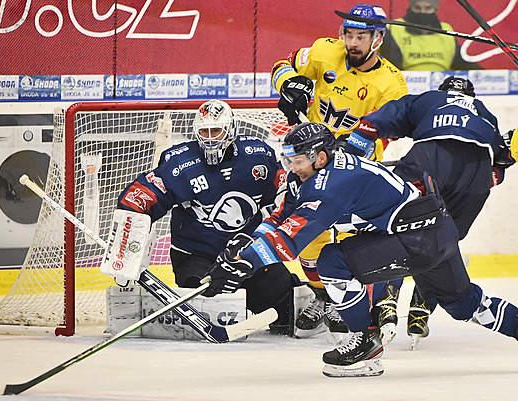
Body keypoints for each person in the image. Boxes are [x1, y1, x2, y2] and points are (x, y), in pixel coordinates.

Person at [201, 121, 518, 377]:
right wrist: (244, 247)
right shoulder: (316, 173)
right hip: (433, 228)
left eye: (296, 160)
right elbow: (280, 217)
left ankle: (365, 345)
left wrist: (247, 263)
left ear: (319, 157)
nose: (291, 166)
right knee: (464, 303)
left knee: (333, 260)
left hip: (417, 239)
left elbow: (291, 240)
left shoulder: (332, 184)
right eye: (289, 159)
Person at [344, 76, 516, 347]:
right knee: (438, 242)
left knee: (394, 227)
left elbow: (381, 119)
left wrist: (351, 151)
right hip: (476, 178)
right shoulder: (486, 114)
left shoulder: (431, 100)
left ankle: (386, 295)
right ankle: (426, 295)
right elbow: (498, 170)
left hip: (431, 158)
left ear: (442, 92)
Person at [270, 4, 408, 338]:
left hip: (357, 172)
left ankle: (351, 303)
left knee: (353, 244)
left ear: (377, 38)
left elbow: (387, 130)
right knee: (309, 238)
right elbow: (282, 65)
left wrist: (345, 149)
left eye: (361, 35)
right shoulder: (323, 51)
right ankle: (322, 296)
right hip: (310, 166)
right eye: (349, 34)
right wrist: (290, 85)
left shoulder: (391, 85)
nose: (353, 42)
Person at [116, 99, 299, 335]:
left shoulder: (259, 156)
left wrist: (265, 240)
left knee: (289, 304)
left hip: (246, 255)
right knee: (204, 300)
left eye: (216, 131)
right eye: (204, 131)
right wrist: (125, 246)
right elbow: (140, 198)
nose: (211, 138)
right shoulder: (178, 163)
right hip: (196, 256)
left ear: (231, 129)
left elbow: (284, 197)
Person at [379, 0, 482, 71]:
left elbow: (461, 62)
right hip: (406, 83)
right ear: (410, 7)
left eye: (428, 8)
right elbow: (391, 66)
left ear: (435, 9)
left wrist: (483, 74)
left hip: (441, 85)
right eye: (417, 8)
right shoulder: (394, 28)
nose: (422, 12)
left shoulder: (446, 30)